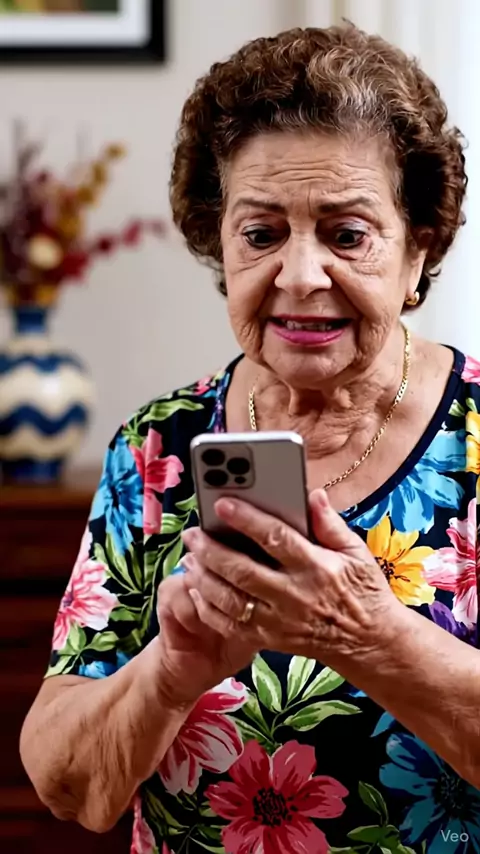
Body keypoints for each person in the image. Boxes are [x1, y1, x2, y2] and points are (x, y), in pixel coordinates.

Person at [19, 22, 480, 854]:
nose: (299, 276)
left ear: (419, 248)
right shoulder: (157, 449)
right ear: (220, 244)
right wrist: (168, 673)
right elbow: (68, 787)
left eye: (347, 235)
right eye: (261, 235)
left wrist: (370, 638)